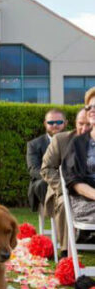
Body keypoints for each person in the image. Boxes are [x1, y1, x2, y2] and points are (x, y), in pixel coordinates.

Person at [41, 106, 91, 257]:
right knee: (64, 204)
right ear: (75, 123)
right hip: (63, 190)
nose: (83, 128)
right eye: (80, 123)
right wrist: (65, 188)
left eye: (88, 124)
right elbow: (47, 168)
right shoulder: (61, 140)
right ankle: (65, 252)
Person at [62, 89, 95, 234]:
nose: (92, 110)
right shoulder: (78, 144)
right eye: (89, 107)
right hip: (87, 201)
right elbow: (74, 181)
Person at [27, 109, 66, 213]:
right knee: (41, 185)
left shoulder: (73, 141)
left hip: (68, 178)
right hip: (44, 181)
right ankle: (57, 211)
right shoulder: (33, 145)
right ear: (45, 123)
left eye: (59, 122)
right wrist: (55, 178)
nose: (55, 125)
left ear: (65, 123)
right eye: (50, 122)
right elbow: (33, 169)